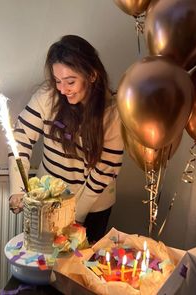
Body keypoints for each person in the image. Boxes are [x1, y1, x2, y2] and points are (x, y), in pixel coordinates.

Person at [8, 35, 124, 243]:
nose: (62, 89)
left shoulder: (112, 113)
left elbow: (104, 171)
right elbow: (20, 139)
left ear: (92, 75)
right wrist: (18, 189)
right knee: (43, 265)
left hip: (92, 207)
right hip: (47, 200)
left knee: (79, 269)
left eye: (70, 81)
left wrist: (73, 216)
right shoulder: (48, 96)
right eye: (57, 81)